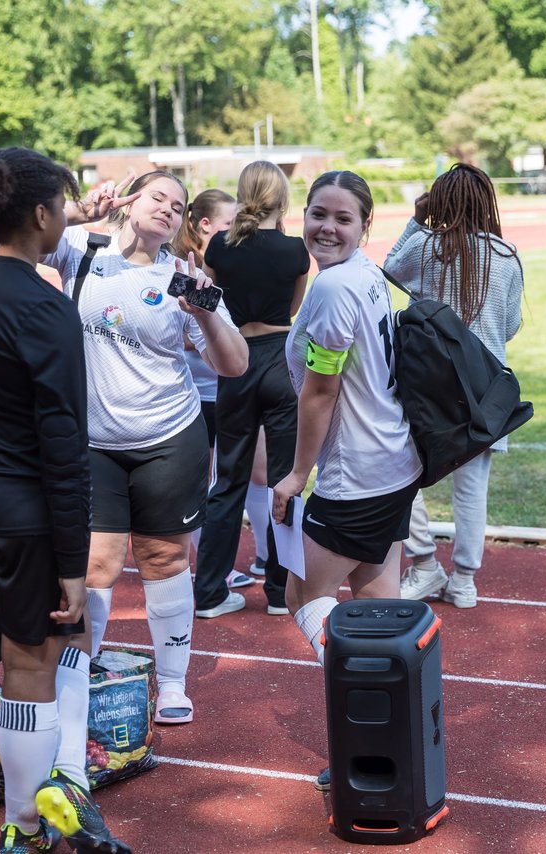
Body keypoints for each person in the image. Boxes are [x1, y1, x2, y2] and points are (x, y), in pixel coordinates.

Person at [0, 147, 131, 854]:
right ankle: (26, 825)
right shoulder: (42, 304)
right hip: (21, 514)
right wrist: (74, 566)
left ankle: (60, 781)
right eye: (64, 207)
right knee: (30, 663)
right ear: (43, 214)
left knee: (52, 649)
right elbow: (64, 447)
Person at [43, 170, 247, 727]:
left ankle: (174, 682)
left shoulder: (184, 275)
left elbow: (234, 364)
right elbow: (16, 239)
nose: (167, 209)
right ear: (130, 200)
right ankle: (80, 672)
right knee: (96, 563)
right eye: (157, 196)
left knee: (164, 558)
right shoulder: (82, 250)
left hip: (168, 438)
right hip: (93, 443)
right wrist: (80, 210)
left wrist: (204, 312)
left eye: (178, 206)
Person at [272, 171, 423, 787]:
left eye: (342, 219)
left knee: (302, 598)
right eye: (317, 214)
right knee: (379, 603)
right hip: (395, 464)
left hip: (356, 476)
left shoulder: (335, 287)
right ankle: (401, 733)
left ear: (364, 227)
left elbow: (321, 391)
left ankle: (373, 719)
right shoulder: (364, 276)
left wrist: (296, 475)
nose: (327, 228)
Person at [386, 163, 524, 609]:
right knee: (471, 489)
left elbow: (391, 268)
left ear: (438, 202)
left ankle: (424, 562)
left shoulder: (427, 247)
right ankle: (464, 581)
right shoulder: (505, 255)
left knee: (401, 474)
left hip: (428, 386)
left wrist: (416, 218)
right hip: (484, 391)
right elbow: (510, 325)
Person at [195, 160, 310, 620]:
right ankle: (282, 593)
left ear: (242, 195)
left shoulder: (219, 246)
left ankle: (208, 592)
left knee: (228, 480)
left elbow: (210, 303)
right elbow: (294, 308)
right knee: (286, 479)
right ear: (281, 198)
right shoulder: (296, 250)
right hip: (280, 360)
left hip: (235, 363)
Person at [172, 188, 255, 590]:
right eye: (228, 224)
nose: (236, 231)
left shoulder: (230, 262)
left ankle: (225, 563)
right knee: (203, 480)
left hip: (225, 390)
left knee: (236, 474)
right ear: (205, 225)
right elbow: (183, 334)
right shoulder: (188, 267)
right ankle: (204, 567)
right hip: (198, 394)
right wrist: (214, 328)